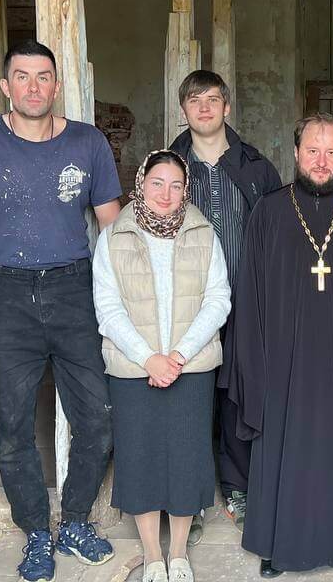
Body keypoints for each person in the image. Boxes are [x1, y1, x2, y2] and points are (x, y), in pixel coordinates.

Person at [0, 39, 120, 581]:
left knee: (99, 418)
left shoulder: (88, 143)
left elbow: (114, 232)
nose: (33, 87)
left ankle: (76, 521)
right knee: (12, 426)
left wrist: (126, 310)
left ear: (56, 85)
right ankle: (36, 531)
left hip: (74, 289)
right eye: (22, 76)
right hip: (2, 295)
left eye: (43, 77)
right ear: (5, 86)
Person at [228, 113, 333, 579]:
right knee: (283, 445)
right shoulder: (269, 211)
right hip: (283, 361)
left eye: (332, 152)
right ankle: (276, 547)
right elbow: (250, 295)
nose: (322, 161)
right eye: (313, 151)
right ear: (296, 152)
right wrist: (254, 365)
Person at [93, 150, 231, 582]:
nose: (166, 194)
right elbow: (107, 308)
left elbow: (218, 298)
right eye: (157, 183)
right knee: (141, 459)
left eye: (175, 185)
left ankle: (179, 552)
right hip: (135, 370)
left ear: (185, 189)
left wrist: (179, 355)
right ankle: (153, 555)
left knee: (187, 459)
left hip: (190, 368)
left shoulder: (203, 233)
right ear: (141, 183)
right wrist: (149, 358)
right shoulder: (115, 237)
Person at [167, 70, 281, 534]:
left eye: (213, 99)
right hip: (185, 305)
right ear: (183, 109)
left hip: (245, 302)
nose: (204, 108)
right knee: (189, 398)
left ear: (227, 106)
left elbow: (277, 235)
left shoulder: (256, 166)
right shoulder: (169, 166)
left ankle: (237, 485)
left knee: (238, 396)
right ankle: (189, 496)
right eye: (195, 100)